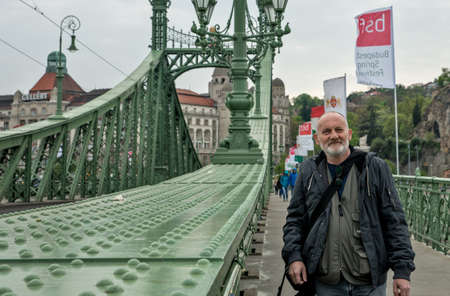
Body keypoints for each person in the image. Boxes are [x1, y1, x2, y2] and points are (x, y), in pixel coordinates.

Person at [282, 112, 415, 296]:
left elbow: (394, 221)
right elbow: (295, 221)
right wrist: (294, 257)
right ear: (316, 138)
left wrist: (402, 271)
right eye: (326, 131)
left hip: (369, 281)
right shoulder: (309, 171)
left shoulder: (374, 167)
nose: (334, 135)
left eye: (339, 130)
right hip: (326, 281)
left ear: (349, 134)